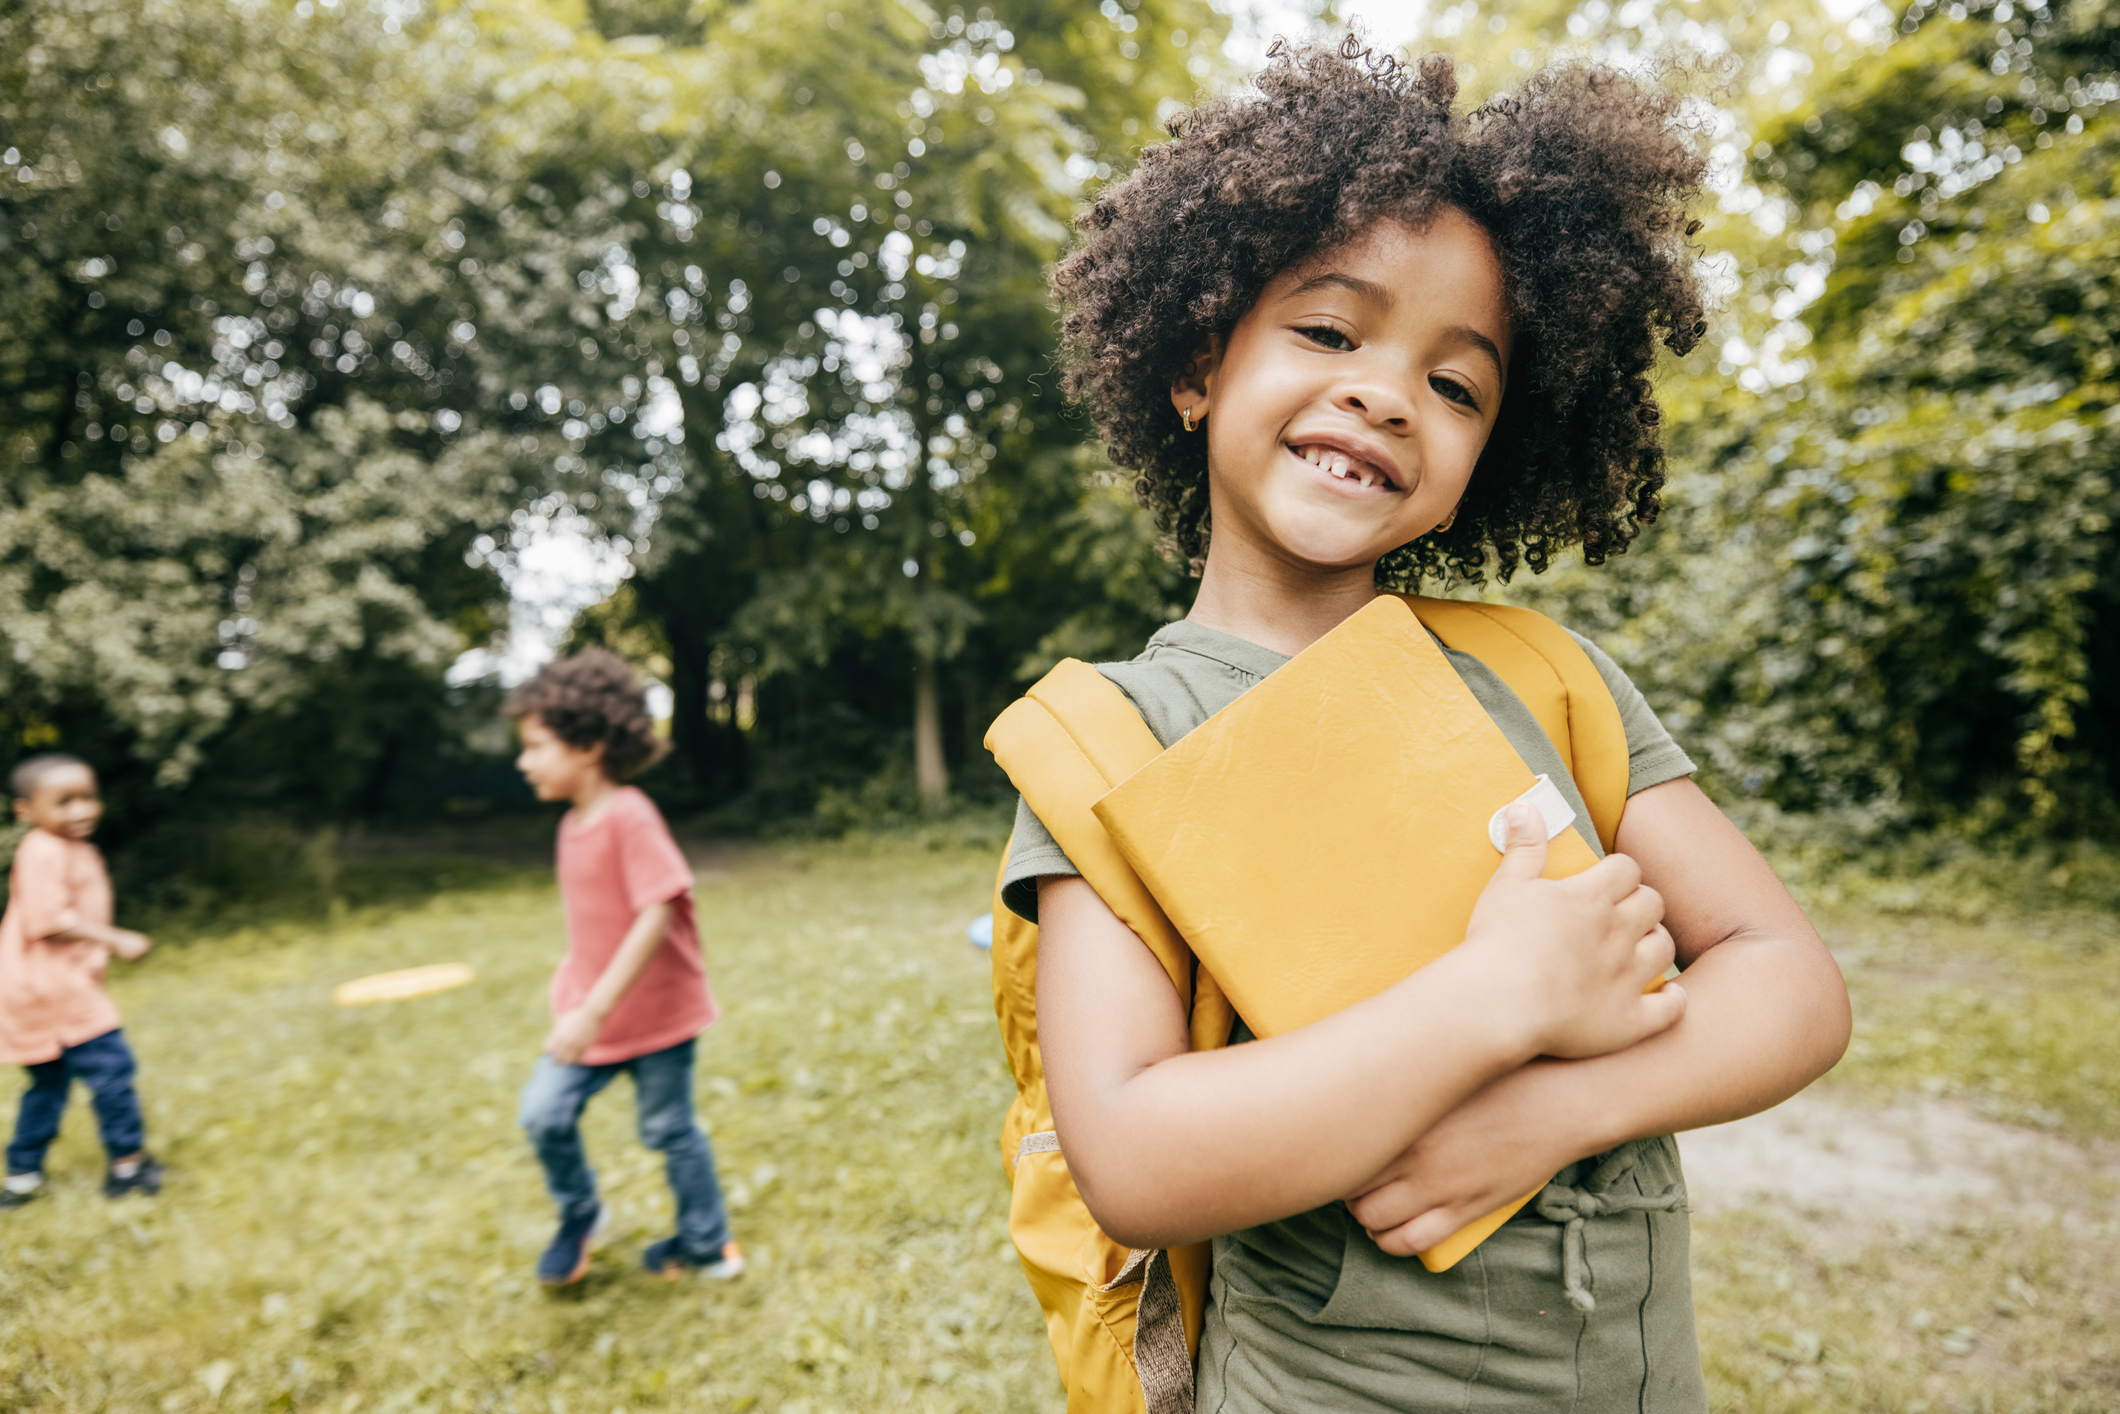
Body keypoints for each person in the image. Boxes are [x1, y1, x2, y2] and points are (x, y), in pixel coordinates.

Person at [1003, 40, 1854, 1410]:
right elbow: (1138, 1158)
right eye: (1330, 332)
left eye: (1457, 385)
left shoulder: (1545, 676)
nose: (1388, 393)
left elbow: (1792, 985)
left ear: (1483, 467)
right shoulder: (1112, 740)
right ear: (1193, 366)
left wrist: (1556, 1109)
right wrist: (1499, 993)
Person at [506, 651, 741, 1287]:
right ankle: (581, 1216)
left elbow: (658, 910)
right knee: (543, 1114)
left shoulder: (630, 814)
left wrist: (593, 1008)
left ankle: (707, 1242)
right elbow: (593, 923)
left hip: (656, 1019)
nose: (523, 761)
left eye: (535, 746)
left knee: (669, 1130)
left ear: (587, 746)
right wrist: (574, 992)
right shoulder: (569, 828)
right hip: (589, 1022)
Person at [1, 754, 162, 1208]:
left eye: (88, 798)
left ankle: (22, 1178)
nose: (82, 811)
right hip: (56, 992)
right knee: (112, 1073)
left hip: (37, 990)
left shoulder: (71, 847)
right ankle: (127, 1170)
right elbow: (48, 920)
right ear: (26, 811)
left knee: (48, 1086)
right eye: (64, 802)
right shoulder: (44, 850)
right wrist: (116, 939)